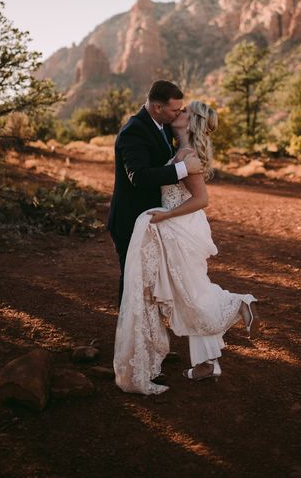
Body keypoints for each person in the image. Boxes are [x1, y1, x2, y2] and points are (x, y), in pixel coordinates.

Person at [113, 100, 260, 395]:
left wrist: (165, 216)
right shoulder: (177, 149)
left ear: (191, 122)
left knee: (191, 295)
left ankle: (240, 304)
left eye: (183, 112)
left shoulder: (188, 153)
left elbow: (201, 199)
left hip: (180, 227)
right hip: (178, 227)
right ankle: (207, 364)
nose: (177, 114)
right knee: (189, 293)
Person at [107, 80, 203, 302]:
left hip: (152, 218)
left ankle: (148, 330)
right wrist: (183, 168)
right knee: (132, 279)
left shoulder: (163, 124)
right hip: (131, 219)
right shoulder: (134, 131)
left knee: (150, 280)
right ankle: (129, 333)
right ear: (158, 107)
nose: (177, 114)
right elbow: (138, 177)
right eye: (174, 110)